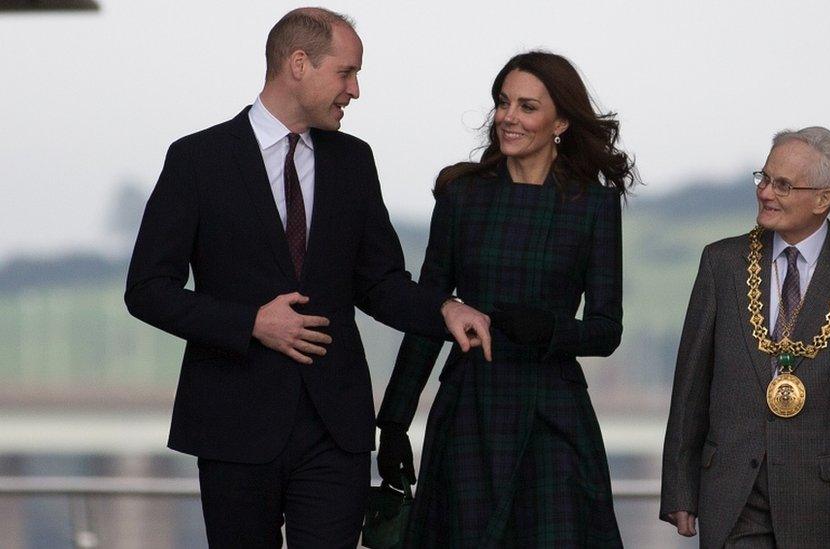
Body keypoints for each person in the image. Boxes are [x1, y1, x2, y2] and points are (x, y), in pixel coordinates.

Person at [124, 8, 491, 548]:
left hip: (335, 426)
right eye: (346, 73)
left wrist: (444, 309)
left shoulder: (354, 161)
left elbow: (379, 281)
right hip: (232, 425)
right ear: (299, 63)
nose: (356, 90)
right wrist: (251, 322)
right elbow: (147, 291)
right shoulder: (197, 160)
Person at [374, 51, 636, 547]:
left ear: (560, 121)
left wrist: (551, 329)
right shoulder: (462, 195)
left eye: (526, 106)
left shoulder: (594, 206)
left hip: (552, 413)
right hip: (470, 409)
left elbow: (606, 329)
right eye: (503, 102)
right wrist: (393, 421)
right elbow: (430, 311)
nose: (508, 117)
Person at [660, 127, 830, 548]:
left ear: (823, 199)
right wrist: (680, 487)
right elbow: (690, 384)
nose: (764, 193)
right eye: (764, 178)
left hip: (829, 505)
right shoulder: (720, 263)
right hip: (734, 496)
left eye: (783, 185)